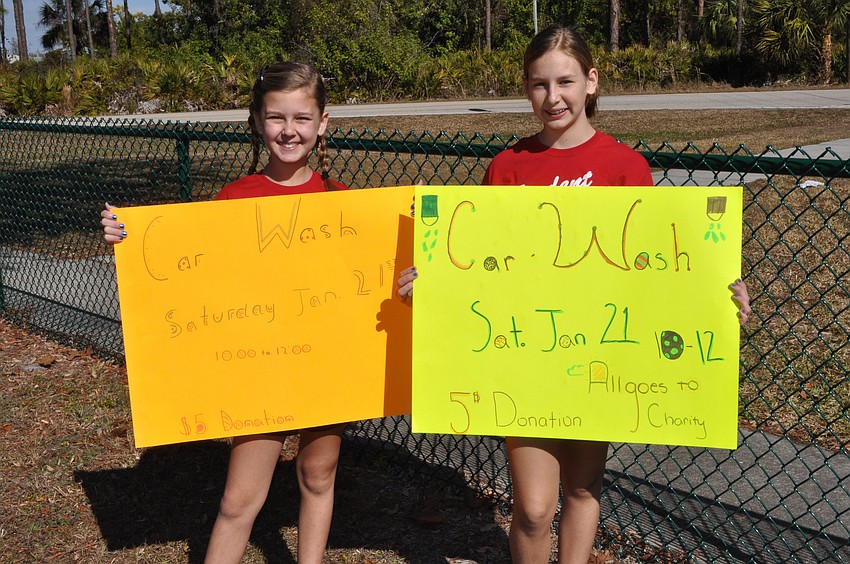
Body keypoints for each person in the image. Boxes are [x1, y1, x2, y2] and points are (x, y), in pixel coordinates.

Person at [396, 24, 751, 564]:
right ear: (526, 88)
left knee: (583, 491)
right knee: (534, 508)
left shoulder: (625, 167)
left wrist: (715, 301)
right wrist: (434, 285)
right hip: (524, 359)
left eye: (565, 81)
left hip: (597, 360)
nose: (553, 97)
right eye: (539, 84)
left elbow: (654, 269)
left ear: (591, 81)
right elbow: (481, 266)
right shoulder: (508, 167)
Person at [102, 61, 348, 564]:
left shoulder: (342, 202)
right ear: (257, 121)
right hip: (258, 369)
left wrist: (407, 277)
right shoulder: (233, 198)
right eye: (276, 117)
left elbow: (361, 285)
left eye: (302, 118)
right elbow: (193, 275)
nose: (289, 130)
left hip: (323, 368)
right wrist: (126, 241)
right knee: (239, 500)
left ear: (322, 123)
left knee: (318, 477)